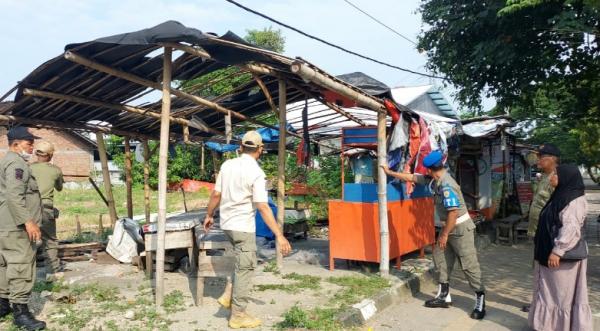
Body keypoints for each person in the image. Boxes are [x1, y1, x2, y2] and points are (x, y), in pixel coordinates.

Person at [382, 150, 486, 320]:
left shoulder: (447, 185)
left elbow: (453, 213)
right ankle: (444, 296)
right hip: (448, 228)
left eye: (426, 170)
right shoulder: (435, 180)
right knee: (441, 260)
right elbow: (413, 178)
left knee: (469, 266)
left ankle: (480, 298)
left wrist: (444, 235)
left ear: (430, 169)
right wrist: (390, 172)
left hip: (460, 230)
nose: (425, 173)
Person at [203, 130, 292, 329]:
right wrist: (279, 235)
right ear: (260, 150)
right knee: (246, 268)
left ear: (241, 147)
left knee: (241, 262)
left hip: (226, 225)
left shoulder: (227, 165)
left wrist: (209, 215)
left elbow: (216, 194)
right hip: (242, 227)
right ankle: (238, 315)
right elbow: (262, 206)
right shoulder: (257, 173)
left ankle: (227, 296)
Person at [529, 164, 593, 330]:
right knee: (551, 293)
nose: (552, 177)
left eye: (556, 174)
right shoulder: (561, 194)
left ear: (566, 177)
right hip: (551, 253)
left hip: (562, 258)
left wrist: (557, 251)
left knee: (560, 295)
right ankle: (548, 325)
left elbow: (571, 228)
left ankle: (559, 326)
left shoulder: (574, 200)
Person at [0, 126, 46, 330]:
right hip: (17, 227)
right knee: (21, 265)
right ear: (16, 144)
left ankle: (2, 305)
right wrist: (28, 221)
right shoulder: (15, 164)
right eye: (29, 143)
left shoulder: (9, 161)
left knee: (4, 265)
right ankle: (21, 313)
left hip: (7, 224)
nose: (32, 147)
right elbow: (14, 195)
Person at [522, 143, 559, 313]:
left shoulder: (556, 178)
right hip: (537, 231)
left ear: (551, 159)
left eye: (540, 158)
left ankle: (545, 305)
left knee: (546, 271)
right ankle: (538, 302)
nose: (537, 162)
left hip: (547, 233)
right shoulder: (545, 176)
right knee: (537, 269)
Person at [30, 140, 64, 279]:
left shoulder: (27, 168)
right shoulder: (55, 170)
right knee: (49, 241)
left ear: (36, 154)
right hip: (46, 209)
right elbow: (59, 188)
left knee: (26, 240)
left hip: (28, 209)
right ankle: (52, 272)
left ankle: (26, 274)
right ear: (50, 155)